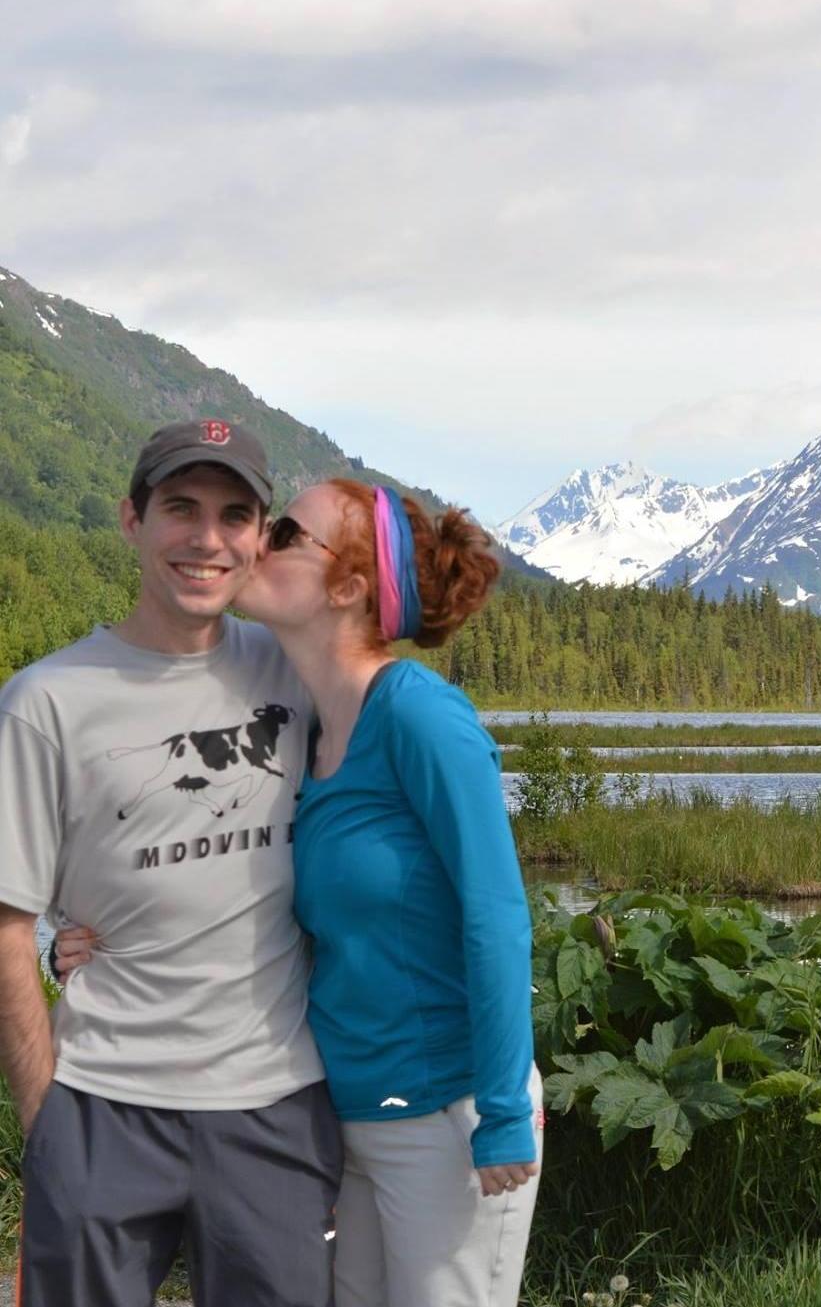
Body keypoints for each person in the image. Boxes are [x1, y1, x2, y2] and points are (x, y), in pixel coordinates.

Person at [59, 477, 542, 1307]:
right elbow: (247, 875)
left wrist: (501, 1110)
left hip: (444, 1111)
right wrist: (102, 930)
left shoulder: (422, 717)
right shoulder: (307, 727)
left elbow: (496, 916)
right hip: (347, 1111)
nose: (257, 541)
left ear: (347, 587)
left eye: (284, 531)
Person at [0, 420, 342, 1307]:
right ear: (131, 520)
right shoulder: (46, 702)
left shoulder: (297, 672)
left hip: (277, 1102)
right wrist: (47, 1119)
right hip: (100, 1103)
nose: (207, 537)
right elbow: (7, 922)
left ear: (261, 539)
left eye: (235, 514)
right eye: (180, 508)